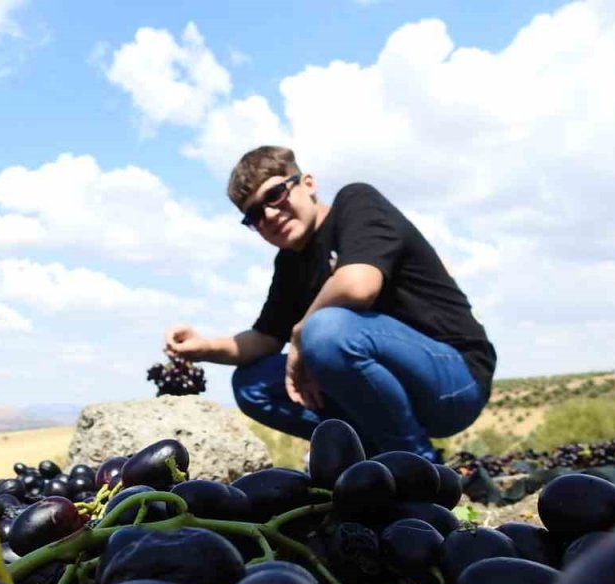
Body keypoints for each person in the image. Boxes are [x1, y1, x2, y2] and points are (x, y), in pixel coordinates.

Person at [163, 145, 496, 463]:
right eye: (254, 214)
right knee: (253, 384)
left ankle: (417, 465)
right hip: (386, 389)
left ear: (307, 183)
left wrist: (300, 334)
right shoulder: (290, 263)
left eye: (275, 195)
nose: (269, 213)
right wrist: (202, 347)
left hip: (454, 380)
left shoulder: (357, 202)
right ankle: (371, 453)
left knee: (324, 332)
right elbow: (264, 339)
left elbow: (358, 284)